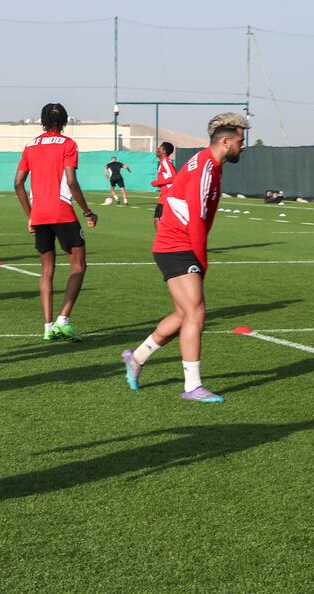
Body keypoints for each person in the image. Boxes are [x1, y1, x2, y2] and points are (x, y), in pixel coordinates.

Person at [121, 113, 250, 403]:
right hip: (176, 245)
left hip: (176, 243)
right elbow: (195, 219)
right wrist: (201, 260)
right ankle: (192, 386)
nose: (243, 146)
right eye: (241, 141)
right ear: (225, 141)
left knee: (183, 314)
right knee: (196, 312)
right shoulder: (206, 166)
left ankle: (136, 357)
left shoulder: (209, 164)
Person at [14, 102, 98, 341]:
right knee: (78, 266)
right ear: (64, 121)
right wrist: (88, 211)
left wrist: (30, 214)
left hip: (39, 214)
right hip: (62, 211)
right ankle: (63, 319)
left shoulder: (31, 146)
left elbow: (18, 183)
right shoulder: (68, 144)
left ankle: (47, 326)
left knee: (46, 271)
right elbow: (71, 181)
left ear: (42, 120)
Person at [151, 142, 176, 229]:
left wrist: (157, 182)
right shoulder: (163, 162)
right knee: (158, 219)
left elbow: (174, 177)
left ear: (164, 151)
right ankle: (163, 240)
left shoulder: (165, 161)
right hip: (165, 196)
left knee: (158, 220)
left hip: (168, 196)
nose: (157, 150)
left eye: (159, 148)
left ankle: (163, 241)